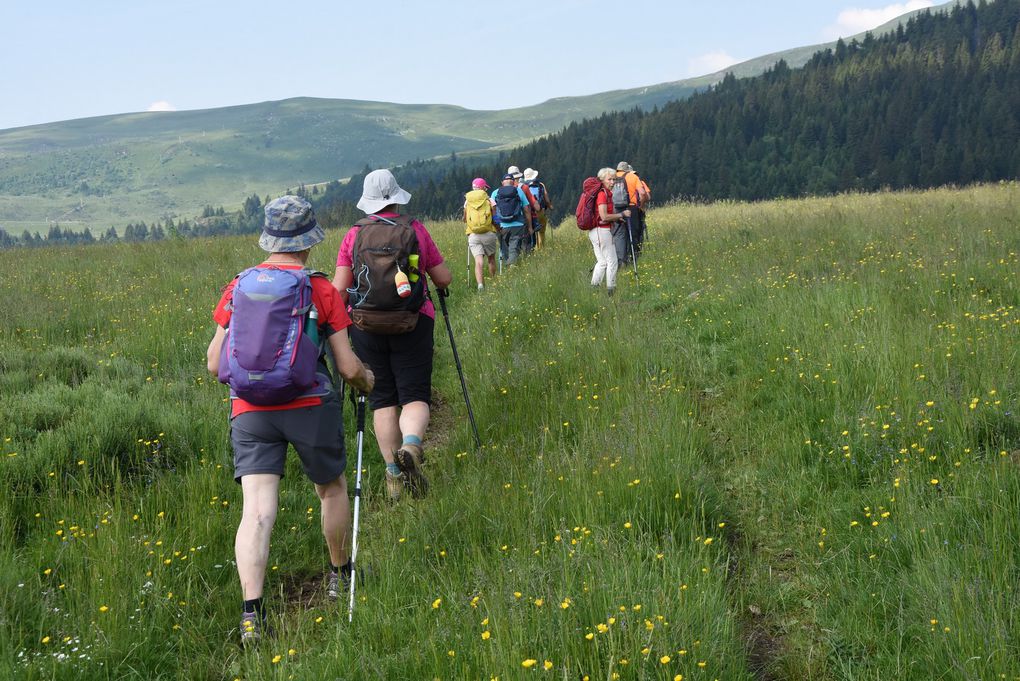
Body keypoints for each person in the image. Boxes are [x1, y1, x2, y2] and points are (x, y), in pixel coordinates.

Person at [206, 195, 375, 644]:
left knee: (257, 512)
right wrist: (367, 383)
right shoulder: (319, 289)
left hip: (249, 411)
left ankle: (250, 615)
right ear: (307, 241)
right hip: (308, 406)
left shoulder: (237, 285)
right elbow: (347, 368)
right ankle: (340, 575)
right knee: (331, 489)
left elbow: (212, 362)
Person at [332, 169, 452, 502]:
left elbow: (340, 290)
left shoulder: (353, 235)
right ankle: (411, 446)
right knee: (414, 394)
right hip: (413, 321)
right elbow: (443, 278)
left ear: (368, 201)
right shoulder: (414, 229)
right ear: (397, 197)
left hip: (366, 326)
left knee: (382, 399)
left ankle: (393, 475)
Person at [591, 167, 631, 296]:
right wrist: (621, 215)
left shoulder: (601, 193)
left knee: (602, 262)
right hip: (602, 232)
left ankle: (594, 289)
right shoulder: (602, 194)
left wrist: (617, 219)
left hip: (594, 232)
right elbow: (604, 216)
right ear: (602, 180)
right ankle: (611, 291)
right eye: (610, 179)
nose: (612, 182)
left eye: (614, 179)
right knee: (612, 261)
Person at [463, 177, 498, 291]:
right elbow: (494, 218)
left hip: (473, 235)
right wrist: (498, 229)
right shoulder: (489, 200)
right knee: (491, 259)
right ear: (482, 187)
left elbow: (464, 219)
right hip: (488, 233)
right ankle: (493, 281)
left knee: (478, 261)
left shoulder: (467, 201)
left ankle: (480, 285)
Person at [491, 173, 532, 266]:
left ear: (502, 182)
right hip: (518, 225)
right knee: (514, 248)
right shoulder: (519, 191)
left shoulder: (495, 193)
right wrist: (530, 227)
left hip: (501, 226)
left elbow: (492, 211)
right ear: (513, 182)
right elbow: (526, 210)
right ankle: (511, 265)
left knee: (504, 248)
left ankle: (508, 265)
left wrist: (497, 225)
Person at [613, 162, 648, 266]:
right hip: (631, 208)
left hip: (616, 208)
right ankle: (634, 259)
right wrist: (641, 206)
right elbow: (642, 193)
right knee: (633, 234)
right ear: (627, 169)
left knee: (619, 234)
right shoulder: (632, 176)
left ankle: (621, 260)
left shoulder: (612, 177)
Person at [522, 167, 553, 250]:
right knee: (541, 231)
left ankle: (531, 248)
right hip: (540, 211)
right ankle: (541, 248)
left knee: (530, 230)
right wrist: (550, 206)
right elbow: (546, 198)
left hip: (529, 212)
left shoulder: (524, 186)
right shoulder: (541, 185)